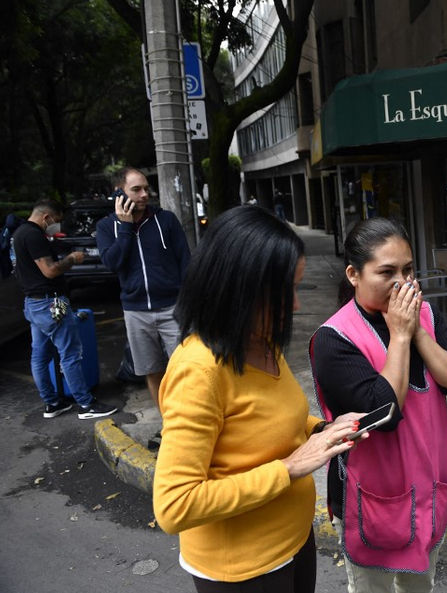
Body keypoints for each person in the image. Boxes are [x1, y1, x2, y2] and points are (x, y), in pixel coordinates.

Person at [153, 206, 364, 592]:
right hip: (244, 569)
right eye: (286, 293)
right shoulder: (199, 370)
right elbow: (174, 506)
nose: (296, 307)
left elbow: (276, 420)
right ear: (240, 290)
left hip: (293, 543)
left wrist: (324, 430)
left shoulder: (259, 339)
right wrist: (289, 468)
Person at [311, 217, 447, 592]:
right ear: (354, 274)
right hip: (370, 499)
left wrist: (417, 331)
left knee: (420, 585)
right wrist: (401, 336)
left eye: (408, 270)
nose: (402, 283)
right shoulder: (334, 339)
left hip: (429, 486)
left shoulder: (426, 316)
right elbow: (382, 413)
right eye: (386, 272)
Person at [97, 167, 190, 447]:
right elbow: (112, 263)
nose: (144, 194)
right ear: (119, 194)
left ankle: (190, 423)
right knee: (152, 370)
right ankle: (170, 427)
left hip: (172, 306)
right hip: (136, 311)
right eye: (136, 189)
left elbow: (185, 262)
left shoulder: (166, 220)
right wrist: (125, 227)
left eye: (146, 188)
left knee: (186, 368)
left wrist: (190, 302)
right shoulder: (107, 227)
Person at [11, 200, 118, 419]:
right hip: (50, 303)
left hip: (33, 303)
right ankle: (86, 405)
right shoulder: (33, 235)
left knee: (40, 356)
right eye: (56, 221)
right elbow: (50, 271)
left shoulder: (19, 233)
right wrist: (72, 259)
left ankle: (52, 404)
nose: (56, 226)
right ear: (46, 218)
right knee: (70, 353)